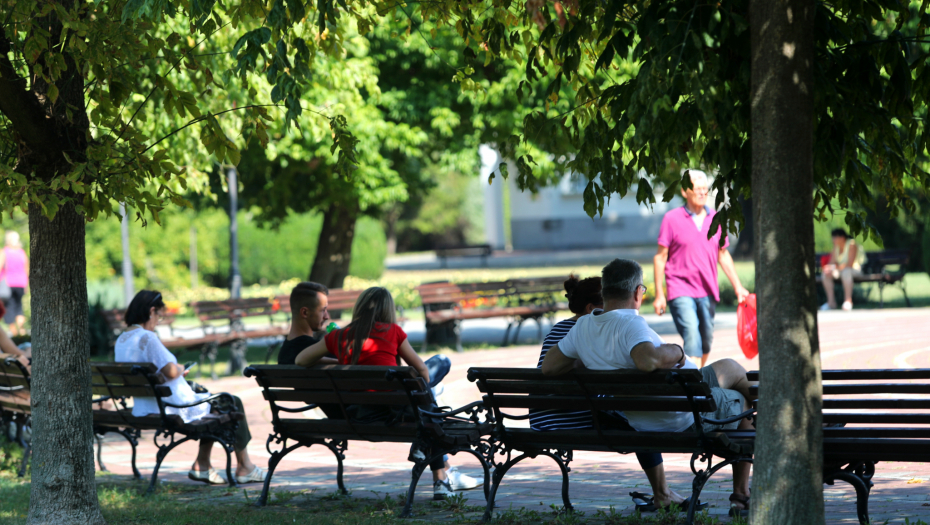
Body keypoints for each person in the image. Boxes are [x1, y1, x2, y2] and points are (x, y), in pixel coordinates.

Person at [542, 259, 753, 517]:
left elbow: (549, 367)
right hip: (683, 413)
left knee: (731, 369)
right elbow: (647, 361)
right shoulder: (630, 323)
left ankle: (761, 440)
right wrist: (677, 351)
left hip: (652, 409)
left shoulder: (583, 327)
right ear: (636, 293)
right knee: (742, 399)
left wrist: (591, 359)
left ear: (605, 292)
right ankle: (742, 495)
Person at [294, 286, 476, 500]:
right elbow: (422, 369)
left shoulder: (339, 336)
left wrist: (339, 360)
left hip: (361, 414)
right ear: (388, 310)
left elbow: (300, 360)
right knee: (437, 379)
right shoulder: (393, 331)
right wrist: (427, 390)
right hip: (396, 412)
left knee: (428, 407)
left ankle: (438, 471)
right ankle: (440, 481)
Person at [116, 290, 266, 485]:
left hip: (145, 406)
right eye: (159, 316)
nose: (158, 321)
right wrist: (180, 369)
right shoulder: (147, 337)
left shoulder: (122, 339)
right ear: (151, 311)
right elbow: (171, 371)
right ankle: (244, 466)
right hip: (170, 407)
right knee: (231, 402)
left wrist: (173, 373)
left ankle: (203, 465)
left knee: (212, 401)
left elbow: (152, 372)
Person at [653, 169, 749, 368]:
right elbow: (660, 258)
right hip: (680, 288)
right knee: (692, 336)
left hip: (707, 289)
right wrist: (659, 295)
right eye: (697, 189)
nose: (702, 192)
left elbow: (723, 254)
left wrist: (738, 287)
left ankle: (697, 374)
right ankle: (694, 381)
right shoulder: (671, 219)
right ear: (684, 191)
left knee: (705, 341)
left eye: (705, 188)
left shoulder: (716, 218)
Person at [277, 281, 336, 365]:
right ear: (305, 312)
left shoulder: (284, 353)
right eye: (323, 310)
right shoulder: (320, 352)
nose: (327, 316)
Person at [820, 228, 865, 311]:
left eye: (835, 237)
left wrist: (834, 267)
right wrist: (828, 268)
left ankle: (848, 301)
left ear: (842, 237)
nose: (833, 239)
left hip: (855, 270)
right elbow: (832, 262)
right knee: (826, 274)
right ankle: (831, 303)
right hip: (841, 271)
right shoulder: (835, 247)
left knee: (846, 272)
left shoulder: (852, 244)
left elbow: (849, 264)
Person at [0, 231, 29, 336]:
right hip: (21, 283)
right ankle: (22, 332)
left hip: (8, 284)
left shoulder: (4, 252)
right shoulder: (22, 252)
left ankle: (15, 334)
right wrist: (26, 283)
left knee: (9, 308)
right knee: (19, 307)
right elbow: (26, 268)